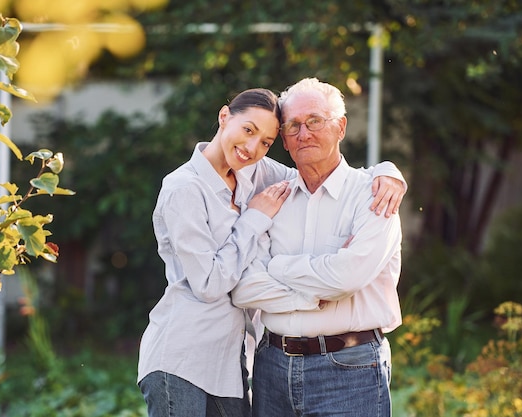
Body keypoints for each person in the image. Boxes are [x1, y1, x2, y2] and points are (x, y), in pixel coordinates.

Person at [137, 87, 406, 417]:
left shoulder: (260, 174)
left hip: (240, 365)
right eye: (249, 130)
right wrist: (308, 294)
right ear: (224, 117)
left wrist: (388, 172)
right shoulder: (195, 189)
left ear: (341, 126)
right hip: (188, 357)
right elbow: (228, 286)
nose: (253, 148)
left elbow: (320, 176)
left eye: (265, 141)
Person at [231, 78, 404, 417]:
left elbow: (346, 278)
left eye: (314, 121)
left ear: (340, 127)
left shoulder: (375, 195)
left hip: (350, 370)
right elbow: (244, 287)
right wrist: (316, 288)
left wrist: (277, 267)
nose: (303, 133)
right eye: (292, 125)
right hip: (272, 367)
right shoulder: (272, 197)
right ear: (282, 138)